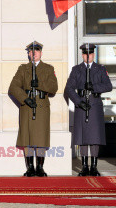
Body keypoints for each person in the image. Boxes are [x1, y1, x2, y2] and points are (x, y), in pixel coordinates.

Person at [9, 41, 58, 177]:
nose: (34, 53)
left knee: (41, 138)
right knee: (27, 138)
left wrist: (40, 84)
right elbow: (13, 87)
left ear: (41, 53)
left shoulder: (48, 68)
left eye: (36, 50)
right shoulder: (23, 69)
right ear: (28, 54)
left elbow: (54, 88)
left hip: (41, 106)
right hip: (28, 105)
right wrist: (25, 98)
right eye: (31, 51)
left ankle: (40, 167)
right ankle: (30, 167)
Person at [65, 44, 112, 176]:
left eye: (90, 53)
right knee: (83, 136)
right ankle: (84, 166)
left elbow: (108, 86)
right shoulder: (76, 69)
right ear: (82, 55)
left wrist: (94, 87)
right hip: (82, 105)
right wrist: (78, 102)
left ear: (94, 54)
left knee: (95, 137)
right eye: (85, 54)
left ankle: (94, 166)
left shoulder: (100, 69)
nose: (88, 56)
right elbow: (69, 88)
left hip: (95, 105)